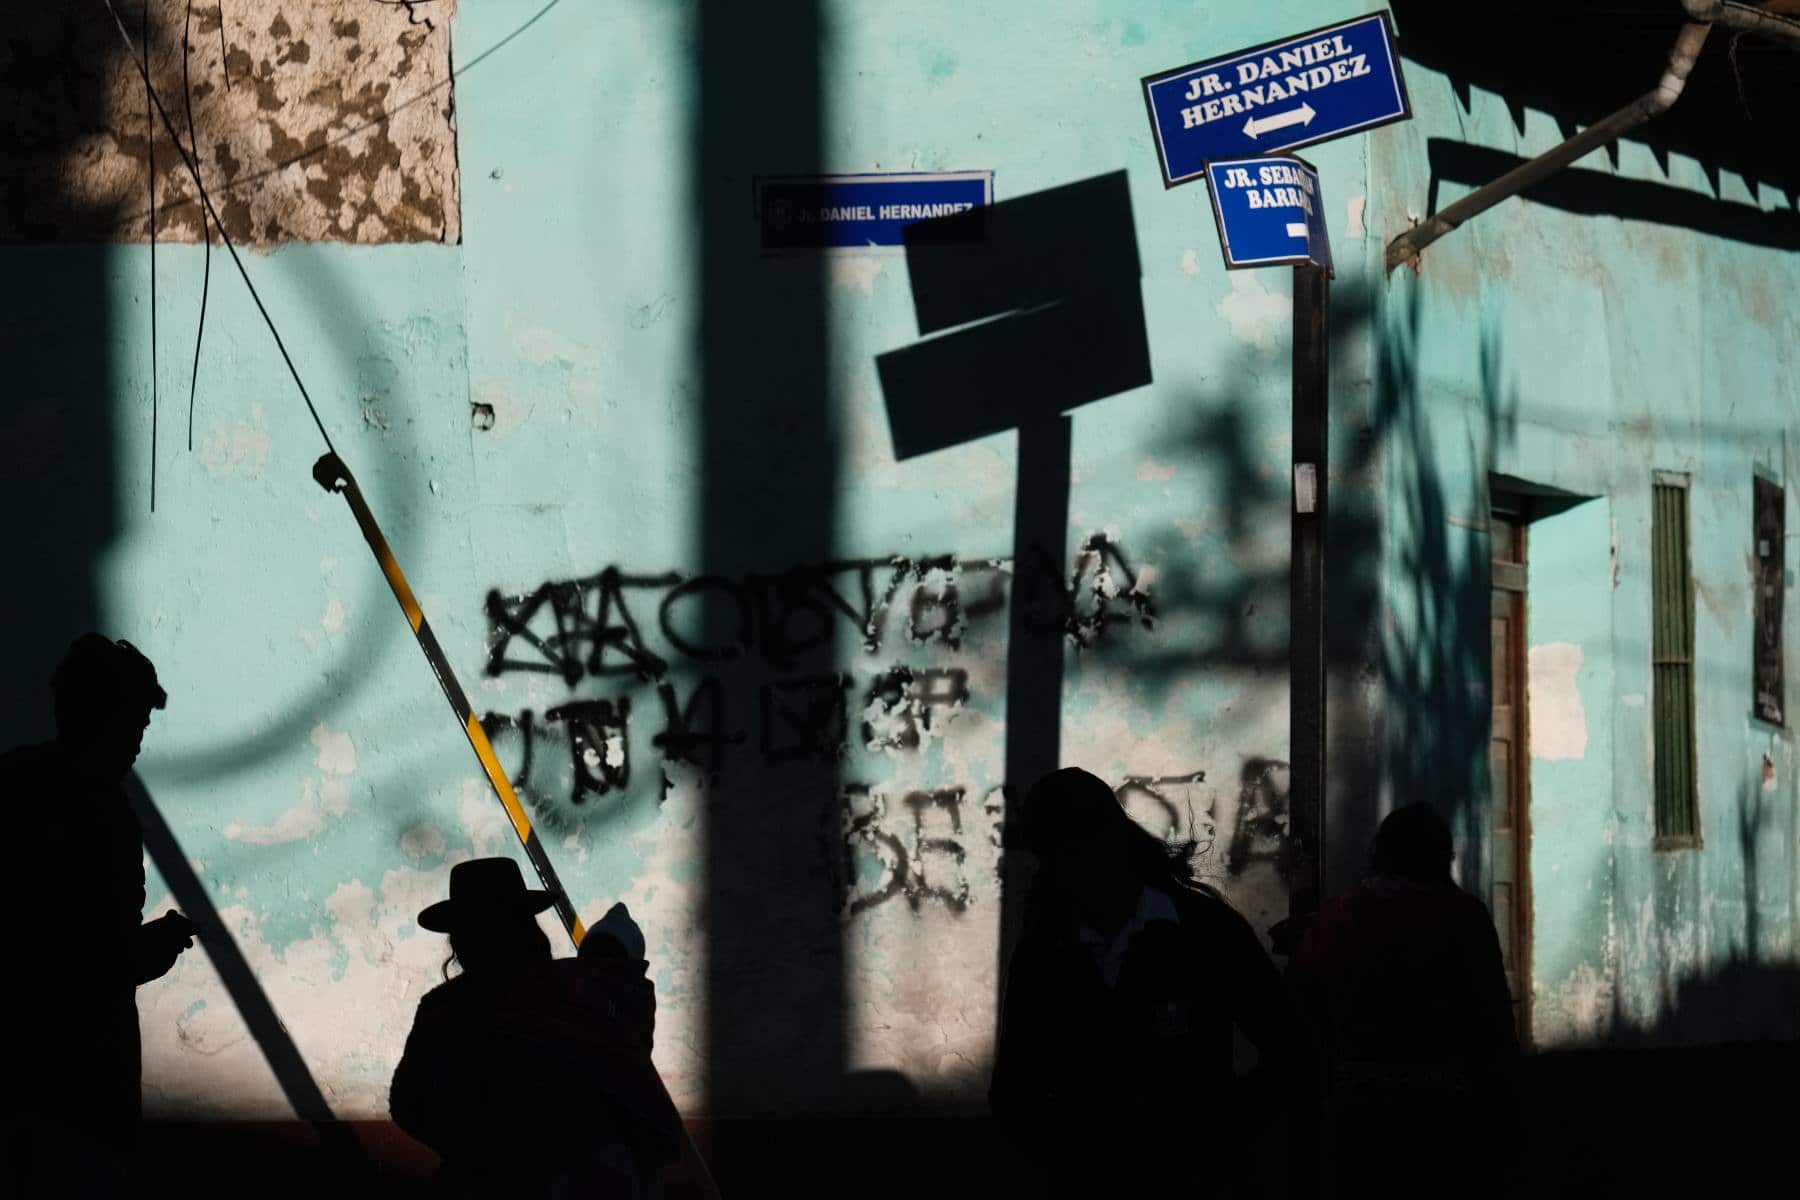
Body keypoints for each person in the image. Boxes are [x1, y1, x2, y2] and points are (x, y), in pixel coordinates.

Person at [988, 767, 1309, 1197]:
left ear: (1114, 838)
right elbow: (1015, 1090)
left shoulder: (1205, 931)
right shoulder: (1045, 951)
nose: (1073, 867)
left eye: (1079, 847)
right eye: (1059, 855)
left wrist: (1219, 1133)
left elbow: (1289, 1050)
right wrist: (1072, 1156)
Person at [0, 634, 197, 1193]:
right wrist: (150, 948)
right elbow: (85, 958)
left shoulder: (14, 782)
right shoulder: (105, 813)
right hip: (79, 1083)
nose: (139, 739)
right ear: (101, 717)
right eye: (134, 721)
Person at [390, 858, 686, 1198]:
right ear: (527, 927)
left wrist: (474, 1148)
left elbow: (409, 1105)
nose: (485, 933)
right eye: (480, 924)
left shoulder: (445, 1009)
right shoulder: (581, 994)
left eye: (489, 923)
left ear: (458, 940)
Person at [1286, 802, 1523, 1199]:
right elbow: (1492, 1020)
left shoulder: (1338, 916)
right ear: (1441, 857)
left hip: (1359, 1103)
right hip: (1446, 1107)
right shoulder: (1464, 916)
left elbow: (1300, 999)